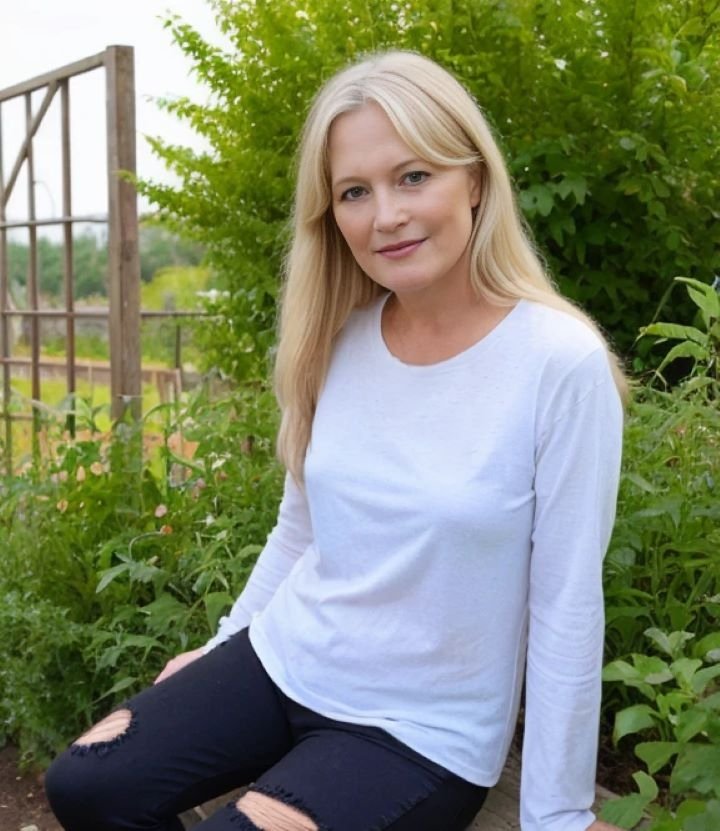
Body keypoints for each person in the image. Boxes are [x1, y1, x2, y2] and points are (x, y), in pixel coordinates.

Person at [45, 51, 626, 831]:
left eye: (413, 176)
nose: (385, 215)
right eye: (355, 191)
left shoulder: (558, 362)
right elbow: (300, 530)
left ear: (475, 180)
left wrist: (557, 812)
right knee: (85, 783)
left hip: (416, 730)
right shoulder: (340, 339)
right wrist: (222, 645)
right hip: (285, 658)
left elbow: (566, 603)